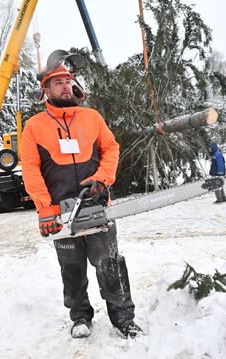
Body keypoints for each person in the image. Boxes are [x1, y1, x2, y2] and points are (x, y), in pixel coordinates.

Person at [20, 51, 141, 339]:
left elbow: (111, 149)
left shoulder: (92, 118)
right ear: (45, 90)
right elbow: (31, 168)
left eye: (67, 80)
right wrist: (44, 208)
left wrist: (102, 179)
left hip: (97, 206)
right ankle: (80, 316)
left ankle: (124, 318)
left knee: (110, 263)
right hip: (60, 213)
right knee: (72, 270)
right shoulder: (35, 126)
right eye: (57, 82)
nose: (64, 85)